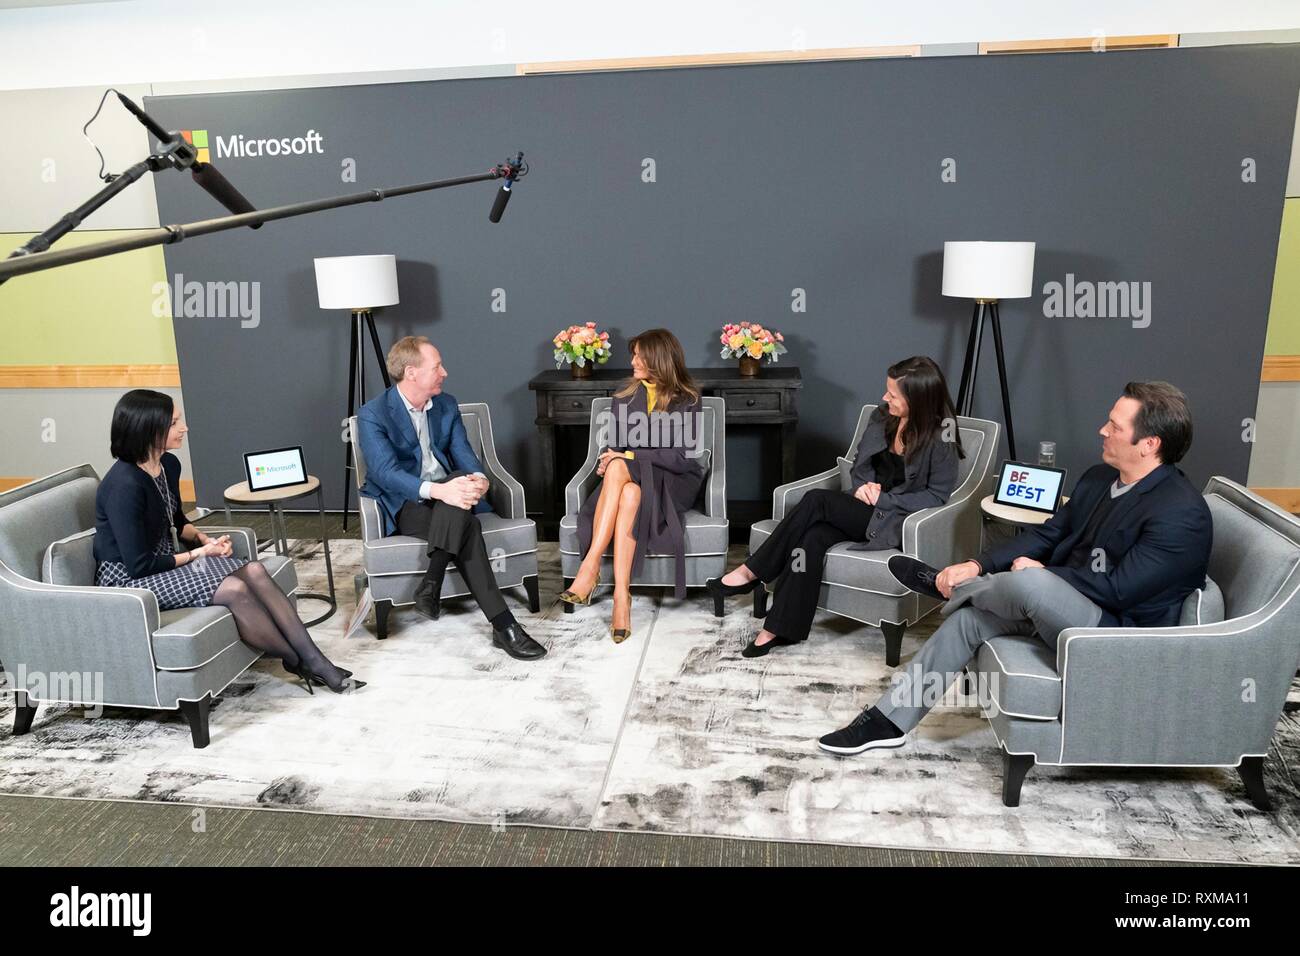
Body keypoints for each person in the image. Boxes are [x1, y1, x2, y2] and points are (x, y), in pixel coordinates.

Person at [818, 380, 1211, 755]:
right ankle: (888, 722)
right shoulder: (1100, 478)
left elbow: (1119, 590)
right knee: (969, 620)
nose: (1102, 430)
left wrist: (1042, 575)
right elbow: (1048, 534)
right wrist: (976, 564)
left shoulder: (1180, 512)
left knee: (1032, 585)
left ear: (1150, 444)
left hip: (1116, 634)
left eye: (1114, 426)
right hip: (1064, 609)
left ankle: (948, 587)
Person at [94, 389, 362, 694]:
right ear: (148, 429)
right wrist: (200, 554)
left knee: (256, 572)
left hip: (164, 563)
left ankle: (314, 659)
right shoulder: (123, 486)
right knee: (234, 589)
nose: (184, 428)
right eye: (174, 423)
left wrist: (204, 539)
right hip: (131, 581)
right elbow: (139, 565)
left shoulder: (167, 465)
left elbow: (175, 520)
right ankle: (296, 660)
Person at [708, 356, 963, 657]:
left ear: (918, 399)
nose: (885, 398)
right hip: (862, 507)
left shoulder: (940, 436)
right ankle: (778, 629)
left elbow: (936, 496)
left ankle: (751, 572)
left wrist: (883, 498)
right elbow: (860, 463)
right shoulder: (882, 416)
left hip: (892, 520)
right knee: (812, 537)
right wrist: (863, 488)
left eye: (893, 394)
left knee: (817, 500)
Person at [357, 335, 545, 661]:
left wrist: (480, 481)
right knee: (467, 526)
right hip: (407, 502)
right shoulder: (373, 414)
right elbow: (386, 473)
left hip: (452, 494)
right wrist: (440, 490)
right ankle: (505, 626)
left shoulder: (446, 404)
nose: (444, 372)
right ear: (411, 372)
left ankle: (432, 584)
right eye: (437, 366)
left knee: (461, 480)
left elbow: (465, 455)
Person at [561, 329, 707, 643]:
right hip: (633, 478)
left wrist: (626, 455)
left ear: (658, 358)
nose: (633, 361)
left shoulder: (689, 399)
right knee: (628, 491)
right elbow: (615, 446)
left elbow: (680, 458)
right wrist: (611, 458)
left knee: (619, 466)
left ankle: (590, 566)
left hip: (675, 481)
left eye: (639, 355)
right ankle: (621, 597)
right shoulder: (624, 397)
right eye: (634, 354)